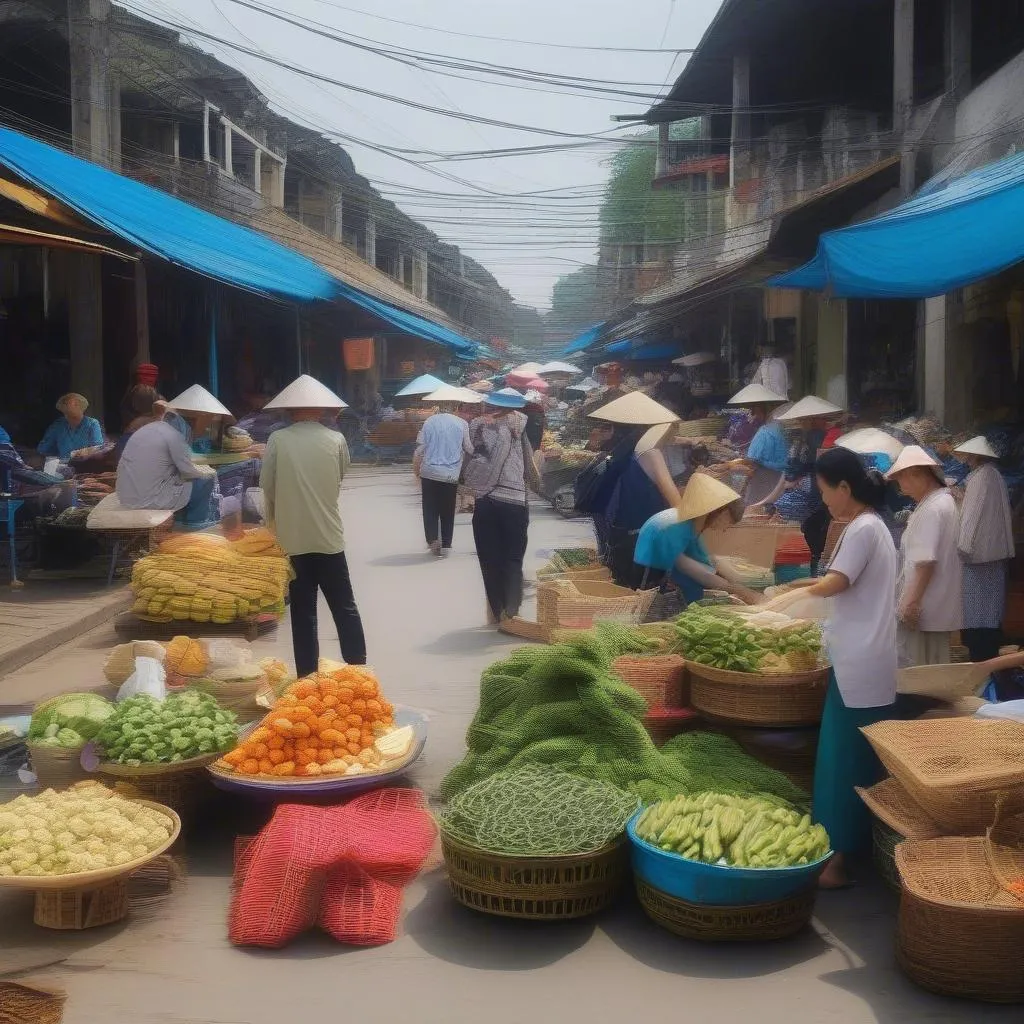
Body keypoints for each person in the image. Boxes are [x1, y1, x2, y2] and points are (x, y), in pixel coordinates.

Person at [767, 447, 897, 888]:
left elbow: (837, 582)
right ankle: (850, 853)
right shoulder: (873, 526)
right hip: (868, 658)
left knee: (841, 763)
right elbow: (836, 578)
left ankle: (835, 863)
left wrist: (791, 599)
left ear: (844, 487)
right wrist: (798, 587)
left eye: (824, 491)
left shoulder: (861, 528)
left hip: (857, 660)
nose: (823, 501)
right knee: (858, 761)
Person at [259, 374, 366, 675]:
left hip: (292, 541)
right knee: (345, 607)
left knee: (304, 614)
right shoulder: (337, 440)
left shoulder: (278, 439)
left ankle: (307, 677)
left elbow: (266, 484)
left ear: (290, 411)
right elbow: (339, 477)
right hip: (329, 538)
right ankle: (358, 670)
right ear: (321, 410)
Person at [633, 473, 762, 606]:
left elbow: (702, 558)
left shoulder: (691, 523)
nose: (725, 529)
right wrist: (741, 591)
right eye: (729, 523)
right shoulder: (675, 527)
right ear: (724, 514)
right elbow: (697, 572)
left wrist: (728, 576)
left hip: (661, 574)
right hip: (651, 582)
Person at [885, 445, 961, 667]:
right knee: (932, 668)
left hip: (925, 608)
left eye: (901, 479)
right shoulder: (940, 502)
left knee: (920, 670)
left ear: (916, 475)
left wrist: (910, 602)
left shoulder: (933, 508)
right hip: (934, 605)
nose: (901, 486)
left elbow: (925, 562)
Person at [464, 388, 535, 624]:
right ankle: (512, 610)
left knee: (489, 560)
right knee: (513, 559)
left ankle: (498, 612)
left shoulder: (479, 425)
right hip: (515, 500)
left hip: (486, 499)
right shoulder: (523, 426)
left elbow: (470, 453)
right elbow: (529, 460)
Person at [954, 436, 1015, 663]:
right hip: (992, 553)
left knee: (976, 613)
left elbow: (971, 516)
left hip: (977, 555)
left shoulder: (980, 477)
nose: (966, 459)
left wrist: (963, 546)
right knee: (990, 610)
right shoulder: (994, 475)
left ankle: (981, 655)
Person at [116, 400, 216, 524]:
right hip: (148, 499)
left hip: (126, 496)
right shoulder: (173, 436)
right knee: (205, 481)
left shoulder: (148, 430)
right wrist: (204, 473)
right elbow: (188, 472)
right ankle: (193, 524)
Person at [413, 385, 473, 557]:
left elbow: (420, 448)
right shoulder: (462, 423)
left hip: (429, 472)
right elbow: (468, 448)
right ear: (456, 406)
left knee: (430, 507)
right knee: (447, 508)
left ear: (439, 405)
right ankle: (446, 542)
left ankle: (432, 539)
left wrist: (417, 467)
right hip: (450, 475)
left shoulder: (429, 421)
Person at [721, 384, 789, 506]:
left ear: (760, 409)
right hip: (780, 478)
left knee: (755, 509)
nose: (753, 414)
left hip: (765, 479)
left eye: (754, 410)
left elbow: (752, 460)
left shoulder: (765, 431)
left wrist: (732, 464)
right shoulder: (780, 427)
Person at [38, 393, 104, 460]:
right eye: (66, 404)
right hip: (62, 466)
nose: (75, 406)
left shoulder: (92, 423)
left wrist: (75, 454)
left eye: (77, 404)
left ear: (82, 407)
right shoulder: (58, 425)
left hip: (86, 466)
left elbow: (98, 448)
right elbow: (43, 449)